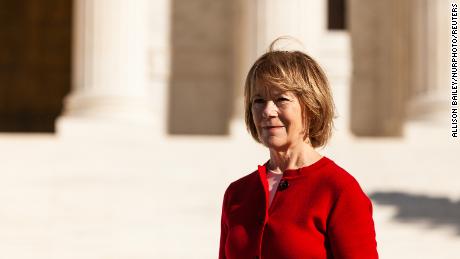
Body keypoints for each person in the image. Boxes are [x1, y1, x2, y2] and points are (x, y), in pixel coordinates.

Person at [219, 42, 378, 259]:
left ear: (311, 107)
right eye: (259, 101)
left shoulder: (340, 191)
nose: (268, 111)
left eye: (281, 99)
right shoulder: (237, 194)